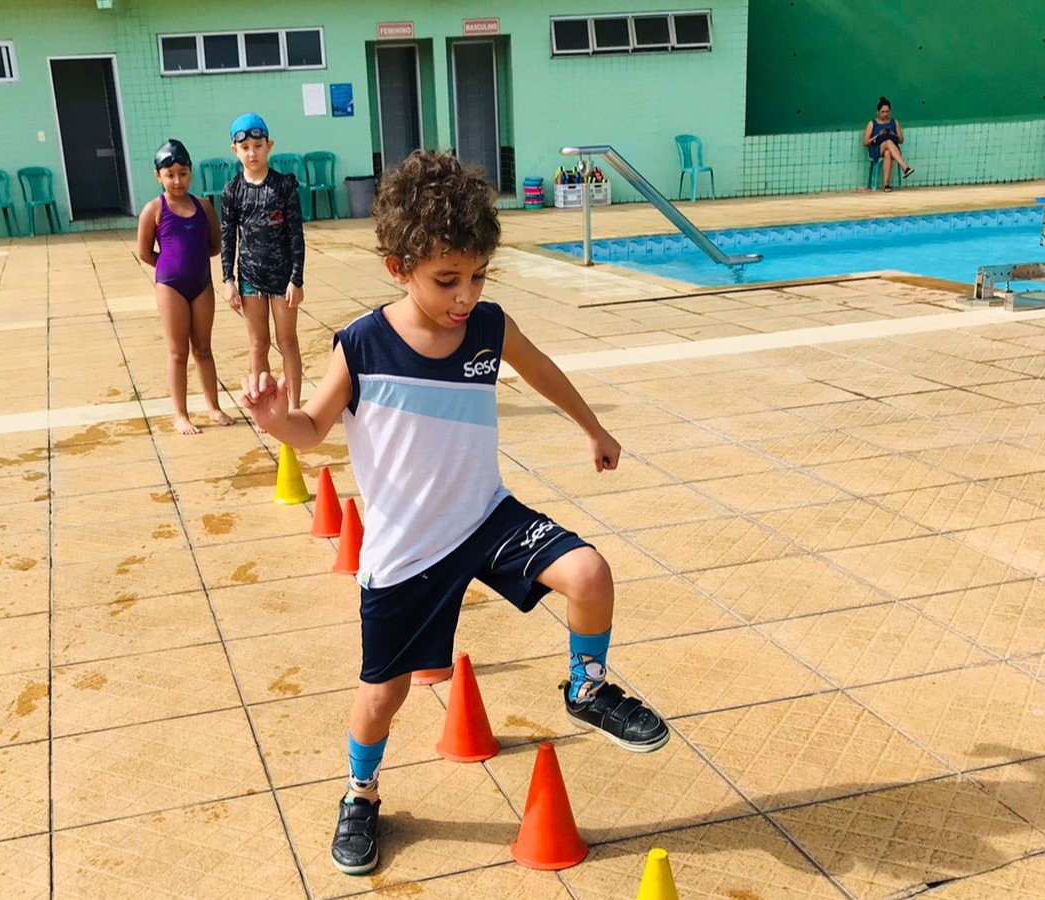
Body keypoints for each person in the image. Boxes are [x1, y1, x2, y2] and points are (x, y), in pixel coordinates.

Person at [239, 151, 669, 877]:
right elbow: (310, 430)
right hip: (406, 551)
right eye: (447, 280)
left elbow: (540, 370)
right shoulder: (363, 345)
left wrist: (592, 427)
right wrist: (276, 420)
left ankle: (588, 686)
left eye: (478, 276)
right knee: (384, 695)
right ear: (398, 268)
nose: (465, 295)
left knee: (590, 573)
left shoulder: (487, 328)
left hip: (484, 518)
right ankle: (360, 793)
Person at [136, 139, 235, 435]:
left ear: (191, 172)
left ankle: (214, 407)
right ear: (158, 176)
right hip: (171, 287)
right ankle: (180, 414)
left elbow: (215, 245)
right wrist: (169, 266)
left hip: (201, 284)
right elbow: (144, 252)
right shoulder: (154, 209)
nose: (177, 181)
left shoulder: (204, 207)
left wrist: (192, 264)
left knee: (203, 348)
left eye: (183, 173)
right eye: (170, 175)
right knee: (178, 352)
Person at [220, 113, 307, 413]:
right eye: (245, 148)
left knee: (287, 342)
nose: (252, 153)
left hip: (283, 278)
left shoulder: (284, 186)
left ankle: (293, 408)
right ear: (235, 150)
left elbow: (296, 235)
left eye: (258, 146)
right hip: (249, 278)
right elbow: (228, 237)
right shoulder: (232, 191)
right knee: (258, 344)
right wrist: (228, 280)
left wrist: (297, 279)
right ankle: (264, 408)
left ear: (269, 146)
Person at [863, 96, 914, 191]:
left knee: (888, 152)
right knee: (888, 142)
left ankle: (886, 184)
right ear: (878, 112)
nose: (885, 114)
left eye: (887, 112)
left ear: (890, 111)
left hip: (893, 149)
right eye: (882, 112)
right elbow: (865, 142)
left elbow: (901, 140)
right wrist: (878, 136)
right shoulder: (872, 123)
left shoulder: (894, 122)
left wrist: (892, 134)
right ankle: (905, 167)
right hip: (877, 149)